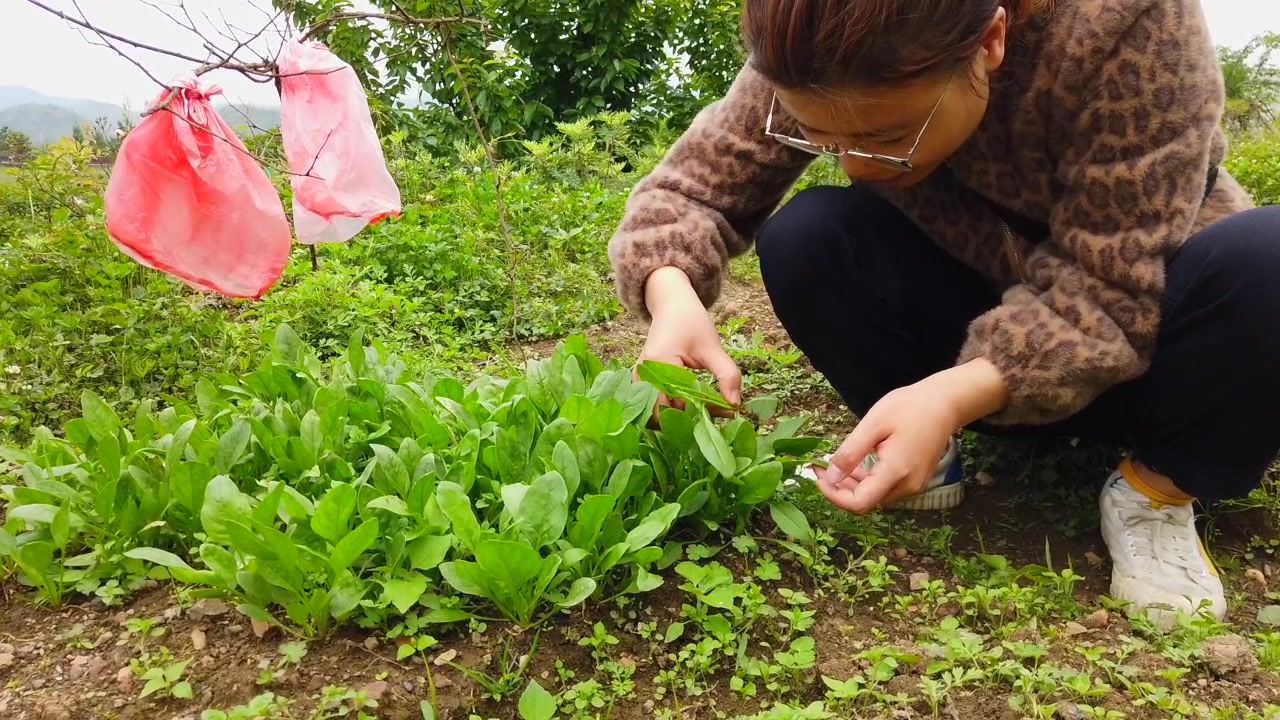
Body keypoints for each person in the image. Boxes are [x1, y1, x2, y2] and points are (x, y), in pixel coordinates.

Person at [607, 0, 1280, 629]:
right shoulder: (825, 32)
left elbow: (1109, 289)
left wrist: (953, 393)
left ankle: (1156, 490)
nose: (854, 166)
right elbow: (692, 190)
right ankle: (921, 456)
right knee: (809, 235)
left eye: (887, 135)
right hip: (975, 356)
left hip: (1156, 356)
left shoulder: (1127, 26)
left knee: (1265, 258)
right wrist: (672, 301)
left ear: (991, 40)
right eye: (822, 138)